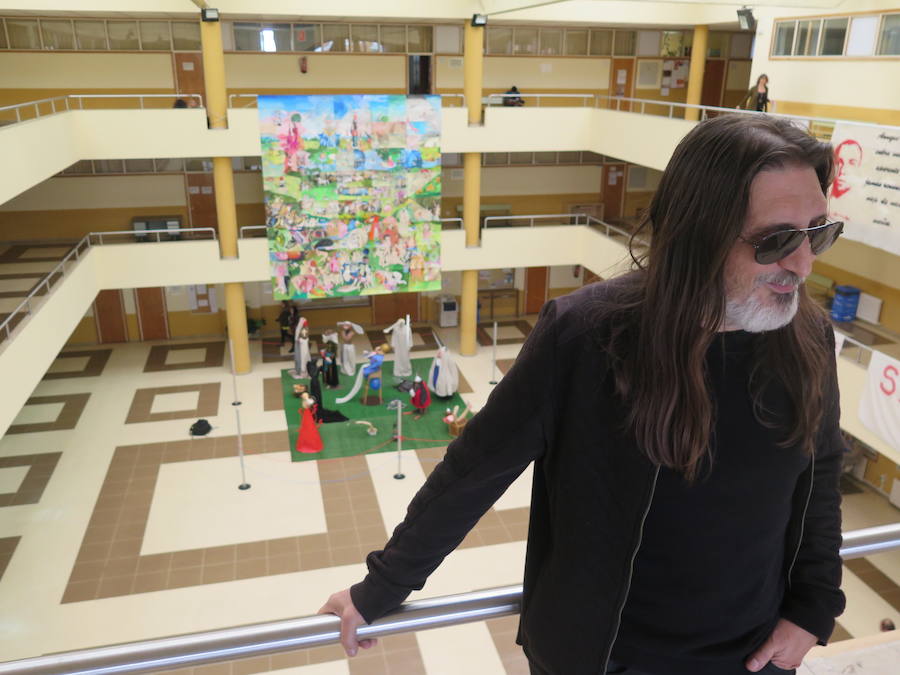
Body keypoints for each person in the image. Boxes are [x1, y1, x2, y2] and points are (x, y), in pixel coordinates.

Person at [320, 115, 847, 674]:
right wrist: (380, 587)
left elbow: (821, 474)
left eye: (819, 232)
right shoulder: (587, 335)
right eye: (779, 240)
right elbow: (475, 470)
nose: (805, 262)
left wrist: (813, 606)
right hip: (601, 660)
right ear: (699, 233)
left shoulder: (806, 337)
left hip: (752, 658)